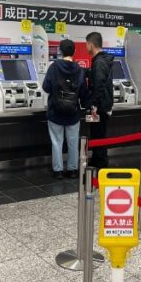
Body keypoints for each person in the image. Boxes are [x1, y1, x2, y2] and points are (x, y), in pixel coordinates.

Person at [42, 39, 88, 179]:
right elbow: (82, 92)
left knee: (57, 142)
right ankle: (73, 170)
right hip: (73, 113)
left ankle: (58, 171)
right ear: (74, 51)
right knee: (73, 142)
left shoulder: (54, 67)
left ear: (60, 51)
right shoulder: (79, 69)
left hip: (55, 112)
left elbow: (46, 87)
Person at [85, 31, 115, 168]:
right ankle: (97, 158)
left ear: (91, 44)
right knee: (97, 133)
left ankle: (101, 162)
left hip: (100, 106)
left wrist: (94, 106)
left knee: (99, 134)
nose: (86, 47)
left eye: (86, 44)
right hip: (104, 104)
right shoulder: (103, 61)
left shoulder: (98, 63)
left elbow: (99, 87)